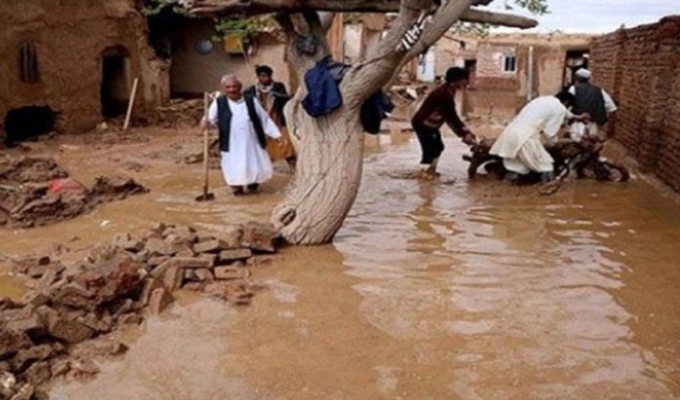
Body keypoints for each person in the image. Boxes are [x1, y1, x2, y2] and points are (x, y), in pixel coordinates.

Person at [202, 74, 282, 195]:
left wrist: (277, 135)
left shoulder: (251, 101)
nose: (232, 90)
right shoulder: (219, 103)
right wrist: (206, 123)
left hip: (252, 142)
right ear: (224, 88)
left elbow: (264, 119)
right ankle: (237, 189)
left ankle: (253, 186)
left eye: (234, 86)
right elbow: (209, 121)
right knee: (233, 168)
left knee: (254, 165)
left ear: (240, 87)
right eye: (228, 87)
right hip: (231, 143)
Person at [489, 91, 588, 183]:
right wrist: (559, 142)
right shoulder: (560, 108)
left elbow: (563, 112)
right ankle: (546, 190)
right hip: (526, 137)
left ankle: (517, 186)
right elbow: (550, 133)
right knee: (546, 166)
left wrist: (577, 117)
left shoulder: (542, 100)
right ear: (566, 103)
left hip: (510, 133)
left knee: (522, 167)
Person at [411, 67, 477, 179]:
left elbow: (450, 116)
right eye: (464, 79)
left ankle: (430, 171)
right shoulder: (445, 94)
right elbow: (451, 116)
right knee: (430, 149)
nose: (466, 82)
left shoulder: (449, 90)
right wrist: (464, 133)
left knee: (438, 147)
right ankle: (423, 176)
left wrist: (464, 133)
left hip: (430, 124)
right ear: (457, 80)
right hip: (423, 124)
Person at [244, 65, 296, 172]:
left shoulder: (278, 87)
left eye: (267, 75)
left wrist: (276, 96)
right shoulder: (252, 90)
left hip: (277, 119)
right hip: (260, 121)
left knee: (285, 143)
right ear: (258, 76)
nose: (265, 78)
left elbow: (284, 98)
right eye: (262, 76)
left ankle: (293, 167)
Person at [568, 68, 617, 141]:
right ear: (588, 79)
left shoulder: (573, 89)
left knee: (575, 142)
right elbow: (612, 108)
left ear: (576, 78)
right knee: (591, 142)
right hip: (593, 124)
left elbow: (568, 105)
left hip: (577, 122)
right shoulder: (598, 90)